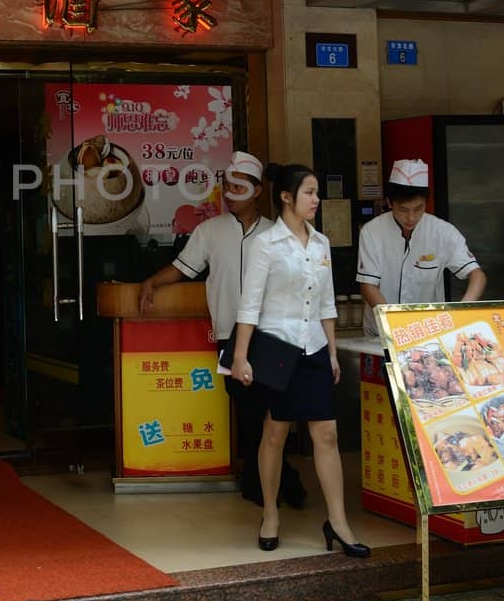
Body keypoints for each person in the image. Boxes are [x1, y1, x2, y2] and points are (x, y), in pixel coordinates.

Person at [138, 150, 307, 509]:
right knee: (247, 412)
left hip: (274, 337)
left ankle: (274, 480)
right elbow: (184, 268)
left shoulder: (277, 234)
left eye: (238, 187)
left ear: (257, 191)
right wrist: (153, 280)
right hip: (232, 336)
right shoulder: (209, 231)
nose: (230, 193)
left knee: (273, 414)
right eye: (227, 186)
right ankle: (265, 482)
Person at [231, 164, 369, 559]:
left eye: (317, 193)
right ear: (287, 197)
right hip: (278, 350)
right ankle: (270, 514)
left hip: (313, 350)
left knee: (326, 433)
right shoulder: (266, 244)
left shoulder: (321, 243)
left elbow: (326, 303)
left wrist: (331, 350)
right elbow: (250, 303)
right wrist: (241, 356)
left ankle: (339, 522)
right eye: (309, 192)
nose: (316, 200)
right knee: (274, 432)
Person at [356, 160, 486, 336]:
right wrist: (393, 324)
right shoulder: (372, 231)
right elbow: (368, 287)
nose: (411, 217)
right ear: (389, 203)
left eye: (418, 209)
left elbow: (477, 275)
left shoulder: (442, 231)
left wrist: (462, 309)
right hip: (382, 331)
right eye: (403, 210)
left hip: (428, 330)